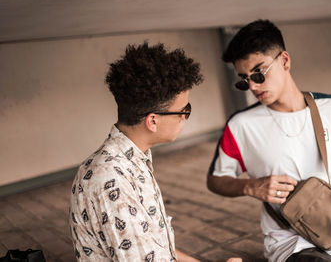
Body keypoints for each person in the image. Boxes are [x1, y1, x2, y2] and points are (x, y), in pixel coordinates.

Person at [207, 19, 331, 262]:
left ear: (285, 61)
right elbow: (216, 179)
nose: (253, 86)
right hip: (293, 245)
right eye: (245, 80)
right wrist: (249, 187)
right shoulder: (241, 125)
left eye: (259, 73)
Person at [69, 42, 241, 262]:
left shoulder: (130, 159)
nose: (185, 117)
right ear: (152, 121)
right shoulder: (111, 179)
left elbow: (158, 251)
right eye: (184, 110)